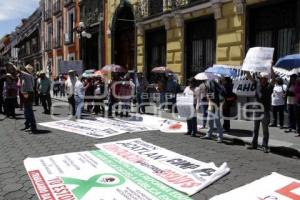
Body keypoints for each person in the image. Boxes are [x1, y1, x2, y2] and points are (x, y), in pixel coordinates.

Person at [247, 72, 274, 153]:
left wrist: (271, 67)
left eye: (263, 79)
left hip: (265, 111)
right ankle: (254, 144)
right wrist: (246, 67)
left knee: (265, 130)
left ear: (266, 79)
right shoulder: (257, 84)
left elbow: (274, 78)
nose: (261, 80)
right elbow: (248, 76)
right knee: (255, 129)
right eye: (261, 78)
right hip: (257, 110)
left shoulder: (269, 86)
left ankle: (265, 146)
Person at [14, 64, 37, 133]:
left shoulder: (25, 75)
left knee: (29, 111)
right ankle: (28, 125)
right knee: (26, 111)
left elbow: (24, 85)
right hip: (26, 93)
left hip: (27, 93)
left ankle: (33, 127)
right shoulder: (27, 76)